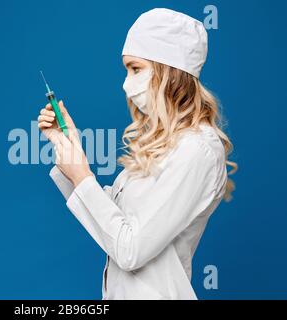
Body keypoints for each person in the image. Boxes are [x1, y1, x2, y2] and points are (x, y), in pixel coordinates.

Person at [36, 8, 237, 300]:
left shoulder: (198, 149)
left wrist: (82, 175)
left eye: (135, 68)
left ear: (169, 71)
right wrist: (69, 149)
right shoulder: (165, 143)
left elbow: (130, 250)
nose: (125, 83)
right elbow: (117, 224)